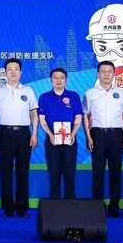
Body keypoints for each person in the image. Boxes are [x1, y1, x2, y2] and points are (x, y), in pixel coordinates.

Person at [0, 58, 38, 218]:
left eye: (16, 69)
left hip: (24, 133)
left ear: (20, 72)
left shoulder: (28, 91)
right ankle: (8, 208)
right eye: (9, 69)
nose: (13, 72)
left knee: (23, 171)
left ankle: (22, 208)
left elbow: (33, 113)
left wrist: (34, 134)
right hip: (5, 133)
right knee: (5, 172)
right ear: (5, 72)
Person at [82, 61, 123, 218]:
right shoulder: (90, 93)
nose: (106, 74)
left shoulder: (121, 93)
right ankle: (98, 207)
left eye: (109, 71)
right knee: (98, 172)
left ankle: (114, 207)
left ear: (114, 74)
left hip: (116, 135)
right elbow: (85, 116)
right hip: (98, 134)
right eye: (103, 71)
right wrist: (88, 136)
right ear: (98, 74)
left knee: (116, 173)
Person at [38, 68, 83, 200]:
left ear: (66, 80)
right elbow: (42, 120)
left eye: (61, 77)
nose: (58, 80)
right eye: (55, 77)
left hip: (70, 139)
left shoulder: (74, 96)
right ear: (51, 80)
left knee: (70, 173)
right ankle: (54, 204)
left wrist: (73, 134)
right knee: (54, 173)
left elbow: (78, 118)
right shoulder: (44, 97)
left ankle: (70, 203)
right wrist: (51, 135)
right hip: (52, 139)